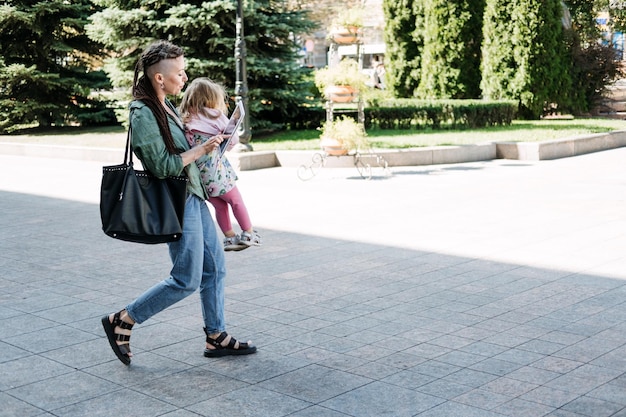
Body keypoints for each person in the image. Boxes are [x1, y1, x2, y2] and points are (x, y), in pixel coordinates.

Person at [101, 40, 256, 366]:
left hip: (196, 197)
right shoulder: (143, 112)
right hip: (178, 202)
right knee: (186, 279)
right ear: (159, 78)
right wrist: (201, 149)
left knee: (215, 269)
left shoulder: (167, 105)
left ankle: (217, 336)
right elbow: (162, 165)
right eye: (179, 72)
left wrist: (215, 141)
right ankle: (124, 319)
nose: (184, 78)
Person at [179, 78, 261, 252]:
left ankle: (230, 238)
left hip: (199, 176)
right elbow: (233, 140)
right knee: (236, 200)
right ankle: (248, 233)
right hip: (216, 171)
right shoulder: (214, 115)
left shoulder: (186, 119)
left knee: (220, 205)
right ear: (211, 98)